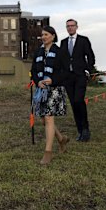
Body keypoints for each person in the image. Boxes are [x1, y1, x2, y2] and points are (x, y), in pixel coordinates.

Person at [31, 26, 68, 165]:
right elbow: (33, 70)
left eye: (46, 34)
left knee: (48, 117)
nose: (43, 37)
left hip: (55, 88)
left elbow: (66, 72)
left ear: (53, 36)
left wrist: (53, 80)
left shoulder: (60, 52)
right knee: (44, 119)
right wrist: (37, 81)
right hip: (41, 89)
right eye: (42, 35)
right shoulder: (38, 52)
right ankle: (61, 139)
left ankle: (48, 153)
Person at [58, 19, 95, 142]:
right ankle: (80, 130)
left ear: (77, 27)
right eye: (67, 26)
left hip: (80, 76)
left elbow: (90, 56)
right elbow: (61, 60)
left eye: (72, 26)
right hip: (68, 78)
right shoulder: (63, 42)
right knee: (74, 103)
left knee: (79, 100)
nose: (70, 28)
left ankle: (85, 129)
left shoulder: (83, 40)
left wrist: (88, 70)